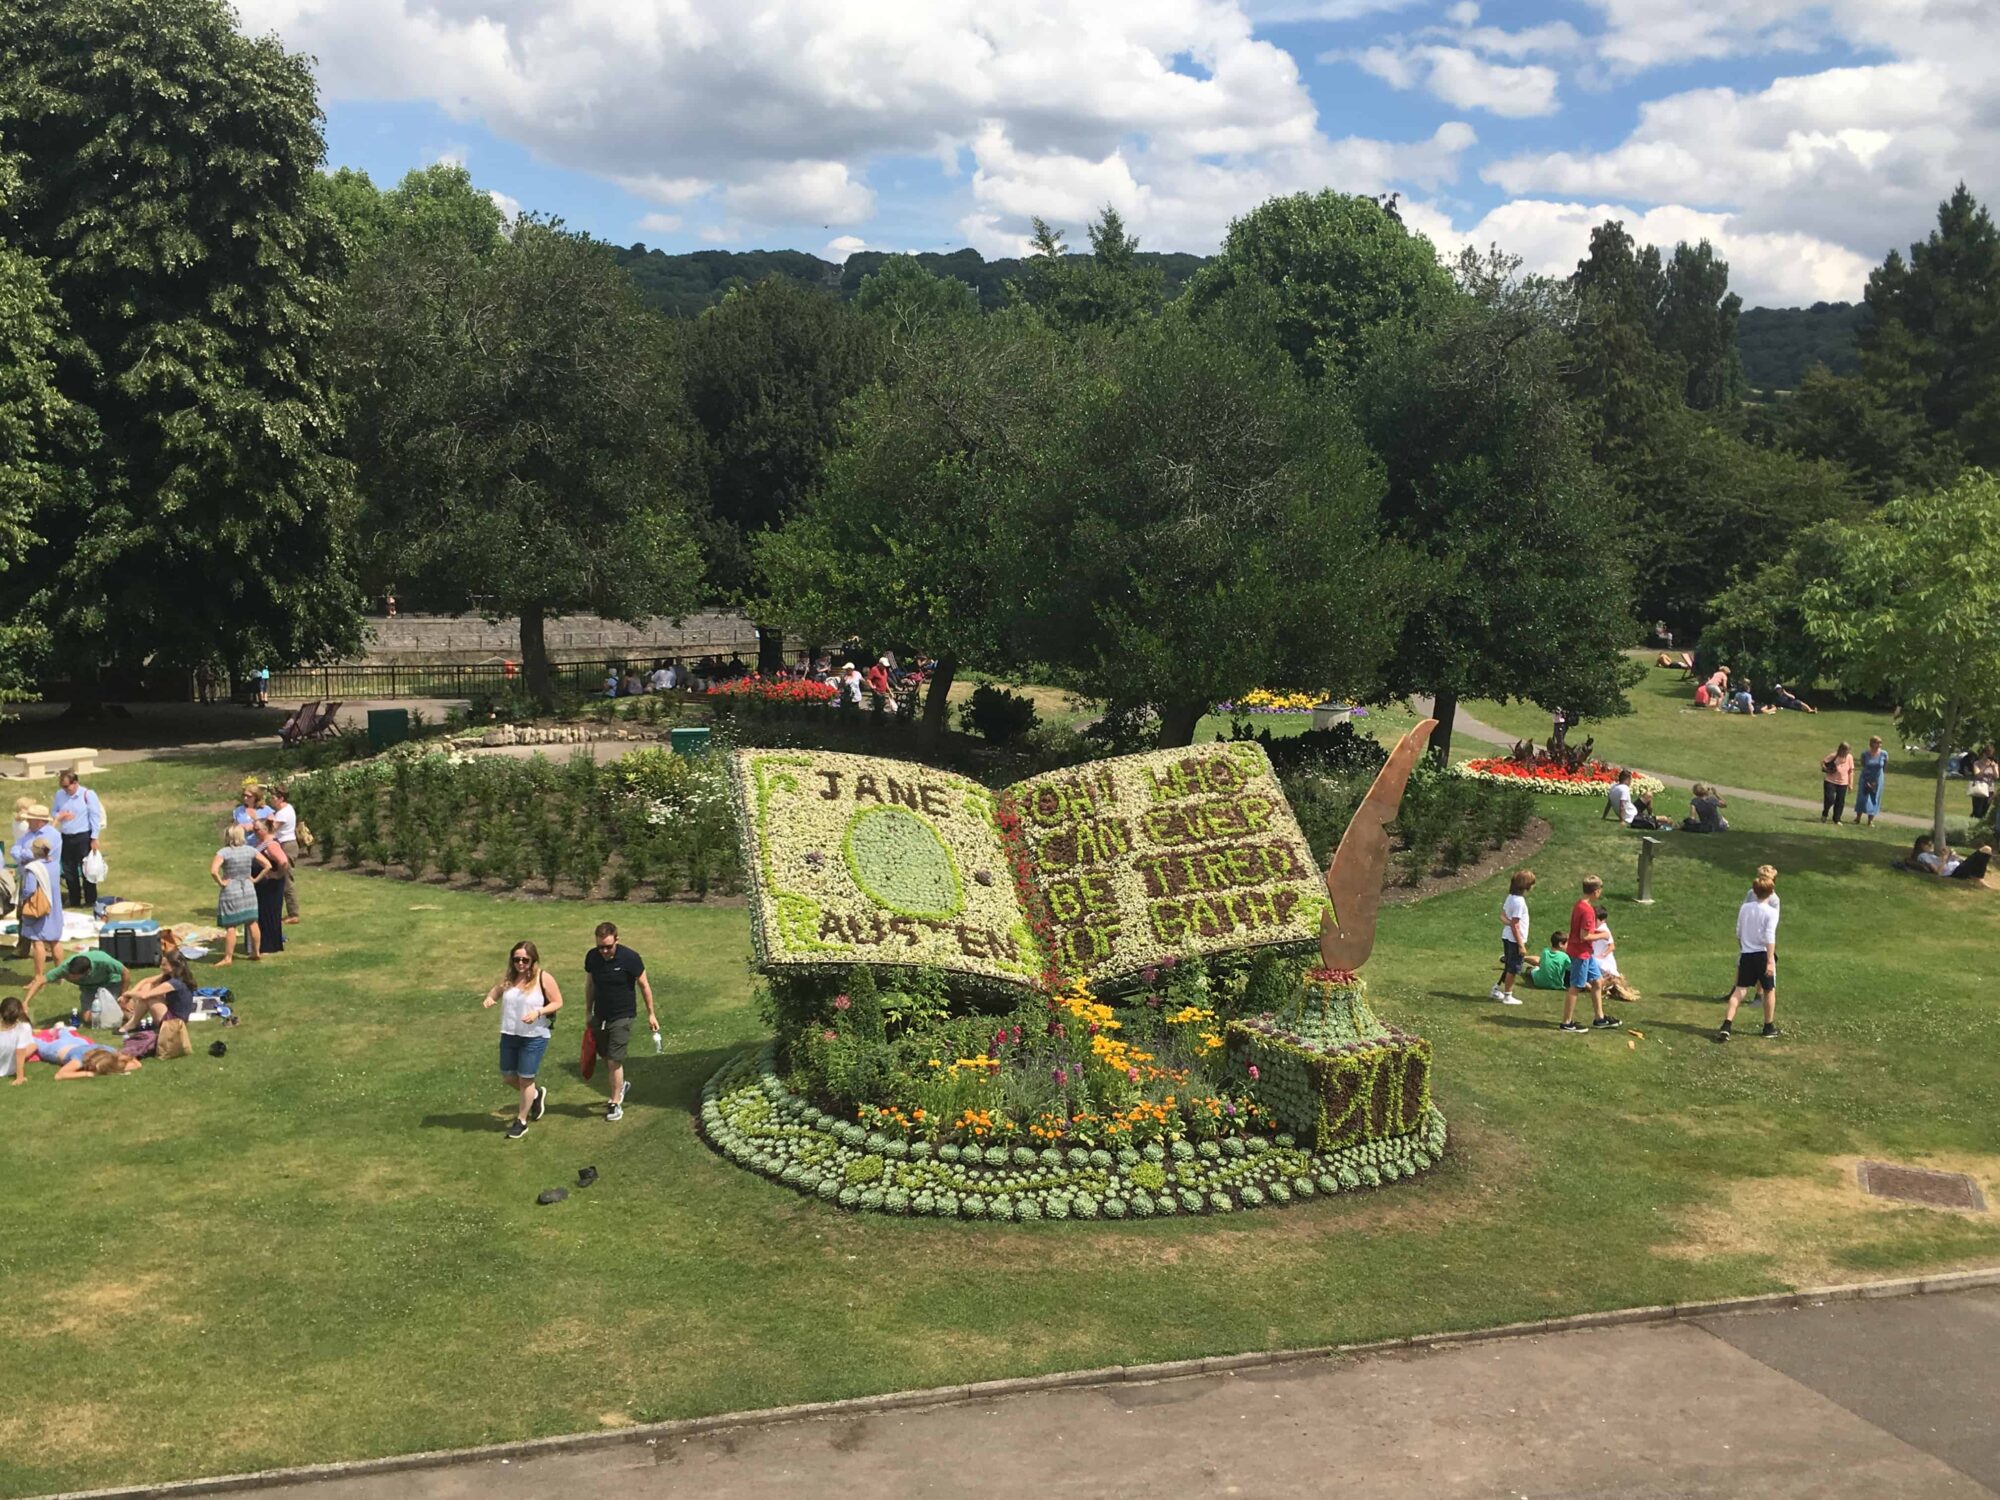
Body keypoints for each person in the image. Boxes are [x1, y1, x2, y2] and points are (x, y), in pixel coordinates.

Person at [483, 940, 564, 1139]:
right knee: (509, 1075)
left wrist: (538, 1012)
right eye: (517, 959)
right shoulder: (510, 978)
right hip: (510, 1034)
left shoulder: (543, 978)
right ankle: (535, 1096)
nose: (520, 964)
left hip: (534, 1036)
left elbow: (558, 1002)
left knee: (526, 1078)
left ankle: (521, 1120)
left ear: (533, 960)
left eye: (525, 960)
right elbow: (497, 989)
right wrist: (490, 998)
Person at [584, 920, 656, 1122]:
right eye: (601, 947)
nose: (605, 951)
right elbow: (590, 985)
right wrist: (588, 1012)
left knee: (615, 1059)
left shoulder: (630, 958)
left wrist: (651, 1013)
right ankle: (621, 1084)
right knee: (606, 1056)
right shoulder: (592, 957)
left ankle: (615, 1102)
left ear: (617, 939)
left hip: (623, 1016)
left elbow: (644, 985)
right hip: (601, 1015)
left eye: (608, 946)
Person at [1719, 867, 1781, 1041]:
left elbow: (1738, 931)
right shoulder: (1771, 912)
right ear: (1770, 891)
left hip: (1746, 954)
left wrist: (1744, 947)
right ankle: (1768, 1027)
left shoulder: (1745, 908)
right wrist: (1770, 961)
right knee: (1769, 990)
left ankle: (1727, 1024)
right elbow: (1770, 936)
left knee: (1739, 991)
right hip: (1762, 954)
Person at [1558, 876, 1618, 1033]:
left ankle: (1600, 1018)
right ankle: (1566, 1023)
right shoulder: (1588, 911)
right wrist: (1603, 935)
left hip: (1586, 952)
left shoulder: (1579, 904)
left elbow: (1583, 931)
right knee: (1576, 986)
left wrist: (1596, 932)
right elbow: (1585, 936)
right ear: (1596, 891)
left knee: (1597, 981)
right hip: (1581, 953)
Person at [210, 825, 267, 965]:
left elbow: (213, 871)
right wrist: (255, 879)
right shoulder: (250, 850)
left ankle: (228, 958)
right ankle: (256, 952)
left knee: (231, 925)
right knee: (252, 922)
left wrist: (221, 882)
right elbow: (268, 865)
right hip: (248, 889)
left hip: (231, 890)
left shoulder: (224, 852)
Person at [17, 837, 63, 1006]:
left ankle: (38, 977)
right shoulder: (55, 864)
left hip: (40, 907)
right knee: (55, 940)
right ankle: (60, 975)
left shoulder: (33, 869)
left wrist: (22, 900)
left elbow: (29, 889)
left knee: (38, 941)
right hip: (55, 905)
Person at [50, 769, 105, 909]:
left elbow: (94, 815)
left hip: (83, 835)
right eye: (63, 786)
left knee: (87, 869)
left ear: (75, 783)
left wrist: (94, 837)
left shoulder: (87, 795)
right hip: (66, 836)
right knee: (69, 869)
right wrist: (60, 816)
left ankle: (90, 899)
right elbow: (54, 811)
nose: (65, 789)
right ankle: (74, 899)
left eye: (67, 786)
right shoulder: (60, 795)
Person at [33, 1023, 143, 1077]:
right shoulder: (78, 1060)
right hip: (58, 1049)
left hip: (80, 1043)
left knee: (67, 1036)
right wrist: (87, 1073)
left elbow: (136, 1064)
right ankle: (30, 1034)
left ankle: (61, 1028)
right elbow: (60, 1075)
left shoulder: (110, 1051)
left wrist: (116, 1069)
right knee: (38, 1044)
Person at [1492, 870, 1534, 1004]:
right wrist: (1521, 944)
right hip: (1515, 939)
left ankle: (1496, 988)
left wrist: (1509, 923)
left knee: (1509, 965)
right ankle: (1508, 996)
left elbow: (1503, 916)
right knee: (1514, 968)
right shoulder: (1519, 902)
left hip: (1507, 936)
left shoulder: (1510, 897)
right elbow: (1515, 925)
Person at [57, 949, 126, 1028]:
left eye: (75, 976)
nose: (71, 978)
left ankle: (126, 1013)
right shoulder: (63, 968)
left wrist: (124, 995)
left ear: (87, 972)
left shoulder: (104, 961)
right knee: (87, 1019)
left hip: (111, 983)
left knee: (117, 1010)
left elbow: (126, 972)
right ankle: (111, 1017)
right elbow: (44, 978)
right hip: (89, 988)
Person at [263, 785, 302, 923]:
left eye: (273, 798)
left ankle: (293, 914)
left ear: (281, 798)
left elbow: (270, 830)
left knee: (286, 879)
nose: (271, 800)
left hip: (287, 846)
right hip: (287, 845)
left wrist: (266, 820)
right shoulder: (287, 809)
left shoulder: (282, 813)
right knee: (282, 878)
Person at [1592, 905, 1642, 1002]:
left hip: (1603, 961)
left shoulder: (1604, 930)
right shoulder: (1598, 928)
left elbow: (1612, 946)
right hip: (1600, 959)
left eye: (1594, 919)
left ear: (1602, 920)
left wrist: (1602, 955)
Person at [253, 829, 290, 956]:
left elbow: (283, 861)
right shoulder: (262, 842)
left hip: (270, 887)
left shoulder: (271, 844)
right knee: (263, 915)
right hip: (264, 888)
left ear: (265, 829)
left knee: (268, 915)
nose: (255, 831)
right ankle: (265, 944)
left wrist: (277, 874)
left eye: (257, 829)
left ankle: (269, 946)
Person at [1602, 768, 1668, 831]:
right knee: (1664, 819)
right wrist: (1622, 821)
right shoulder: (1624, 789)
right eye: (1631, 779)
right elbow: (1622, 805)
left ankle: (1650, 816)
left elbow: (1609, 803)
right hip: (1633, 816)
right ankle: (1653, 819)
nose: (1631, 782)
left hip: (1632, 810)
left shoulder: (1613, 787)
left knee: (1648, 795)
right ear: (1627, 779)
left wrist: (1604, 817)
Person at [1909, 835, 1994, 882]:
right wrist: (1945, 858)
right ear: (1922, 845)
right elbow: (1938, 872)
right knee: (1986, 849)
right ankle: (1979, 880)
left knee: (1985, 851)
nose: (1931, 847)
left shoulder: (1927, 855)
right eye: (1929, 845)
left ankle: (1978, 878)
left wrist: (1949, 855)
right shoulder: (1923, 856)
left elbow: (1942, 862)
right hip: (1955, 871)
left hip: (1957, 867)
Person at [1854, 737, 1888, 826]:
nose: (1879, 745)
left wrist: (1879, 775)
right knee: (1862, 797)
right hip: (1865, 777)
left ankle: (1870, 820)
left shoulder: (1884, 754)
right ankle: (1858, 818)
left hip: (1877, 778)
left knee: (1875, 797)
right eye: (1877, 743)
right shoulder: (1865, 754)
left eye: (1880, 743)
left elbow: (1884, 765)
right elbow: (1863, 764)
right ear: (1872, 743)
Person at [1, 997, 35, 1084]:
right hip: (6, 1069)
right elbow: (20, 1052)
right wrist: (20, 1077)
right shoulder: (23, 1027)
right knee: (34, 1045)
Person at [1820, 742, 1854, 825]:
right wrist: (1826, 769)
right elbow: (1823, 762)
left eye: (1848, 751)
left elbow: (1851, 771)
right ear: (1840, 749)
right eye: (1845, 751)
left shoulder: (1849, 757)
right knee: (1830, 799)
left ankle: (1837, 819)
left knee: (1840, 801)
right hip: (1830, 781)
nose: (1846, 753)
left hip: (1843, 783)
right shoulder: (1834, 756)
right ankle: (1825, 813)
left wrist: (1850, 784)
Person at [232, 785, 267, 849]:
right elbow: (234, 828)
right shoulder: (238, 810)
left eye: (249, 796)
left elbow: (272, 828)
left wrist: (253, 827)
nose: (245, 798)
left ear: (256, 797)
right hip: (243, 845)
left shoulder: (265, 809)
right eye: (244, 795)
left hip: (261, 846)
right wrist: (239, 827)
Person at [1969, 745, 1998, 821]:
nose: (1989, 757)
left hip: (1990, 790)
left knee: (1984, 811)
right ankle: (1972, 822)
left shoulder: (1994, 764)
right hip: (1980, 788)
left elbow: (1996, 777)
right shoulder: (1977, 763)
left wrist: (1994, 768)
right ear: (1984, 754)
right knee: (1977, 810)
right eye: (1987, 755)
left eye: (1990, 755)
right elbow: (1977, 775)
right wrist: (1985, 767)